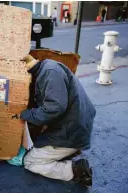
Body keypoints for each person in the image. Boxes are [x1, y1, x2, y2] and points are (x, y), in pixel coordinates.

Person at [20, 55, 96, 187]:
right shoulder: (48, 67)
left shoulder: (49, 73)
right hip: (76, 124)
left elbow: (54, 107)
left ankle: (75, 170)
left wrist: (25, 114)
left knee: (30, 162)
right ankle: (68, 150)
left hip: (71, 132)